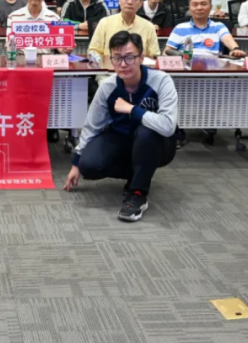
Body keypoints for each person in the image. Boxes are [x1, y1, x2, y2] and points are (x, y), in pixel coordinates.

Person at [63, 31, 178, 222]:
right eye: (117, 58)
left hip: (157, 143)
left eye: (129, 57)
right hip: (121, 138)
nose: (123, 64)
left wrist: (132, 110)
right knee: (88, 166)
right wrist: (76, 163)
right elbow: (92, 126)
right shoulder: (108, 86)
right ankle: (140, 172)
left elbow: (167, 126)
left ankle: (138, 193)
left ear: (141, 57)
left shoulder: (161, 81)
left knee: (147, 132)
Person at [88, 0, 160, 61]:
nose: (130, 2)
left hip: (138, 68)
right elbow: (93, 51)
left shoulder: (149, 27)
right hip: (110, 67)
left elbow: (154, 55)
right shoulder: (105, 23)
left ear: (140, 4)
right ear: (119, 0)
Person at [164, 0, 245, 58]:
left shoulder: (218, 26)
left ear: (210, 7)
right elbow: (166, 52)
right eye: (195, 5)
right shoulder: (180, 28)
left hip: (213, 67)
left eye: (203, 4)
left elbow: (228, 40)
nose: (199, 8)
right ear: (189, 8)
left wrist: (236, 49)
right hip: (186, 66)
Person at [6, 0, 72, 54]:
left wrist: (65, 49)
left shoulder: (54, 18)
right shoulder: (13, 17)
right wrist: (9, 46)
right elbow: (9, 43)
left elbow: (61, 47)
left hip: (47, 59)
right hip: (22, 58)